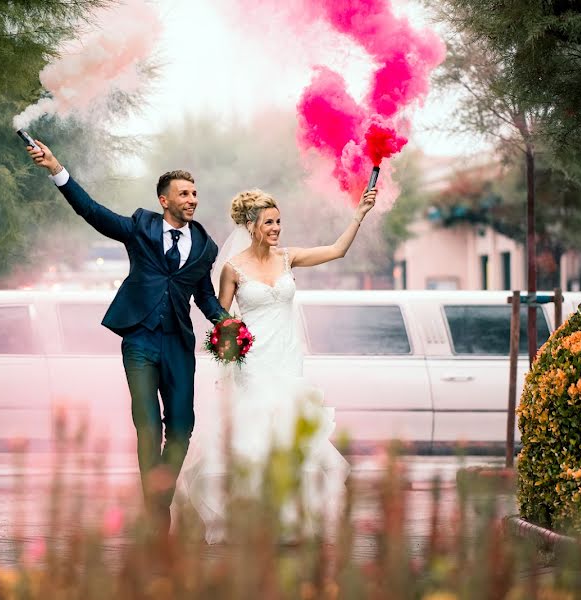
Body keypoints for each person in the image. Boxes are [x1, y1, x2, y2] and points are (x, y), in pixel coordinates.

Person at [26, 140, 227, 535]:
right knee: (148, 424)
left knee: (182, 426)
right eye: (184, 193)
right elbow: (93, 212)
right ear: (163, 199)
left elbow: (203, 295)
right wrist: (56, 169)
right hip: (139, 338)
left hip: (177, 343)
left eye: (195, 193)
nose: (192, 200)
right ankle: (156, 515)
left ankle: (159, 493)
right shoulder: (140, 227)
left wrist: (225, 323)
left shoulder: (205, 246)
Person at [181, 186, 377, 544]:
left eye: (279, 221)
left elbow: (337, 250)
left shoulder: (288, 258)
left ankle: (290, 521)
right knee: (255, 440)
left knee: (289, 436)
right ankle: (252, 522)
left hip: (287, 361)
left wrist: (359, 214)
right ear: (252, 225)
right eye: (269, 222)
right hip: (253, 364)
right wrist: (228, 344)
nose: (276, 228)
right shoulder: (233, 268)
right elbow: (220, 317)